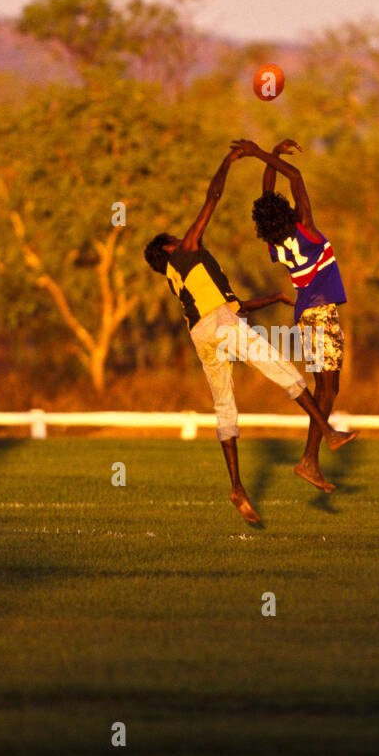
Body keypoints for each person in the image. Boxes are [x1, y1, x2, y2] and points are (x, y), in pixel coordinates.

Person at [143, 144, 358, 523]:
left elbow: (236, 302)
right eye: (175, 236)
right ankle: (323, 437)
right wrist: (243, 156)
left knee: (225, 407)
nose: (184, 235)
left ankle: (238, 487)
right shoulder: (189, 251)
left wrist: (273, 297)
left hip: (204, 333)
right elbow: (224, 195)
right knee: (289, 374)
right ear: (169, 247)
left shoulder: (182, 276)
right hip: (252, 320)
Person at [239, 138, 348, 493]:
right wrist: (261, 154)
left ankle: (312, 459)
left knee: (326, 387)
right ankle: (310, 458)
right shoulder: (305, 230)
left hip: (305, 314)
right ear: (288, 214)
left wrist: (270, 154)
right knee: (329, 389)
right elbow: (297, 179)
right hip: (320, 313)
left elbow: (268, 194)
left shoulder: (275, 243)